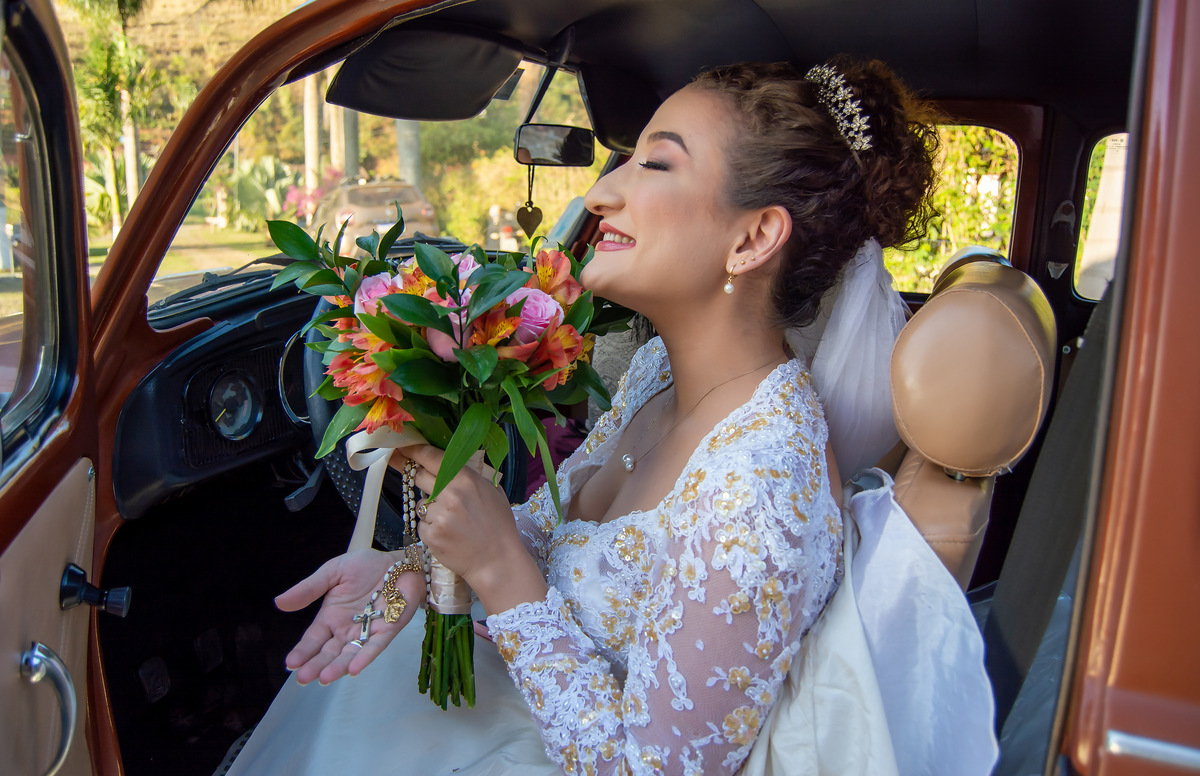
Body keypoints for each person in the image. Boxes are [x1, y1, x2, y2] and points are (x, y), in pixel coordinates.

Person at [226, 59, 993, 776]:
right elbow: (550, 539)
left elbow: (644, 766)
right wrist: (413, 574)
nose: (599, 194)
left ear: (754, 237)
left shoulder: (762, 487)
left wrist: (501, 574)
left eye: (655, 164)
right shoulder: (661, 375)